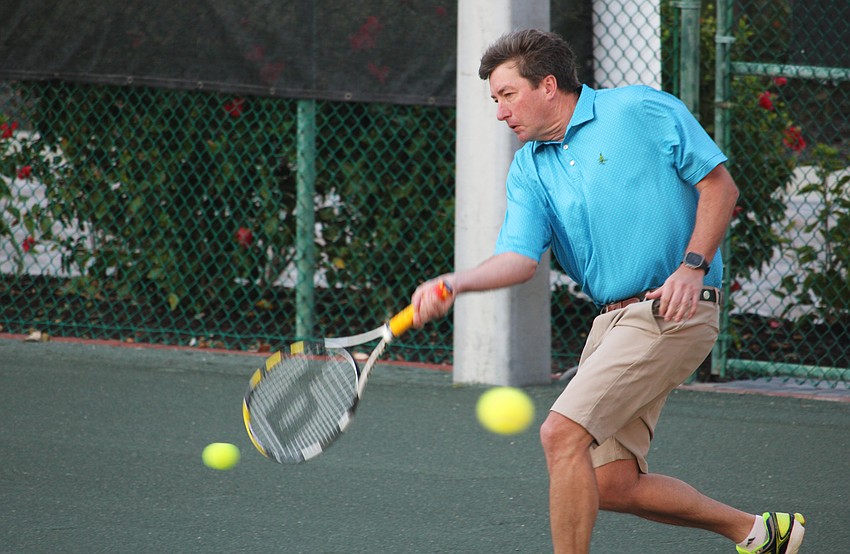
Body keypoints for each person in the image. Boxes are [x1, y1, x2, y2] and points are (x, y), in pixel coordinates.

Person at [411, 29, 805, 554]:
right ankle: (756, 532)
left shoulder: (638, 109)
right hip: (611, 324)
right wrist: (454, 283)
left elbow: (720, 186)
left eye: (507, 95)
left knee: (560, 434)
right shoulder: (529, 167)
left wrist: (692, 266)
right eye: (494, 100)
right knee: (612, 485)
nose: (500, 112)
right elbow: (520, 259)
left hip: (673, 308)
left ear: (548, 85)